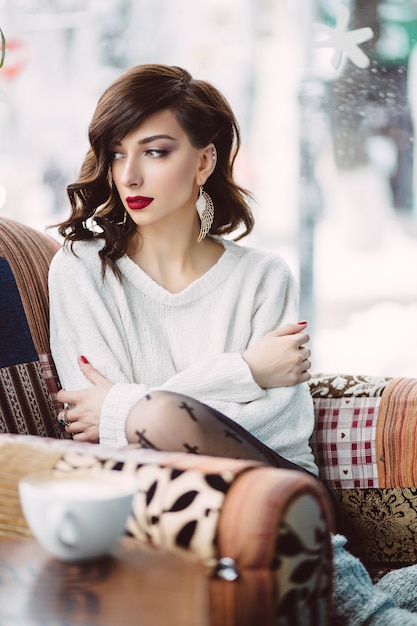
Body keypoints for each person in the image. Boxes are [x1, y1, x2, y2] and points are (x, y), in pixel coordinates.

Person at [48, 64, 417, 625]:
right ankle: (370, 609)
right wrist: (244, 371)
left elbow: (277, 428)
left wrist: (134, 408)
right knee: (158, 414)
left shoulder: (264, 276)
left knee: (158, 413)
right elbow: (102, 429)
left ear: (204, 160)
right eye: (117, 153)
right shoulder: (80, 270)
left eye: (155, 151)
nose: (129, 176)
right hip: (158, 507)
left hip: (286, 496)